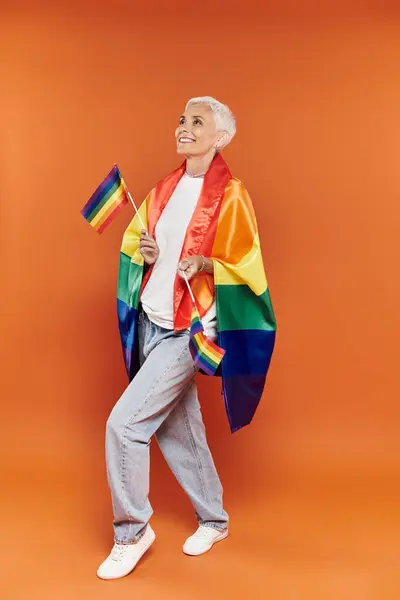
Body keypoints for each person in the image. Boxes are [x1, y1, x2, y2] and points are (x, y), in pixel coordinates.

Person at [97, 96, 276, 580]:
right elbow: (147, 252)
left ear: (219, 138)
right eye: (182, 119)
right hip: (152, 323)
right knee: (180, 430)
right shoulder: (164, 189)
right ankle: (214, 520)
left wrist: (206, 264)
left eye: (198, 122)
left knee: (125, 425)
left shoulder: (231, 194)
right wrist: (149, 253)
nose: (184, 127)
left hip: (186, 330)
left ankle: (131, 532)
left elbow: (246, 267)